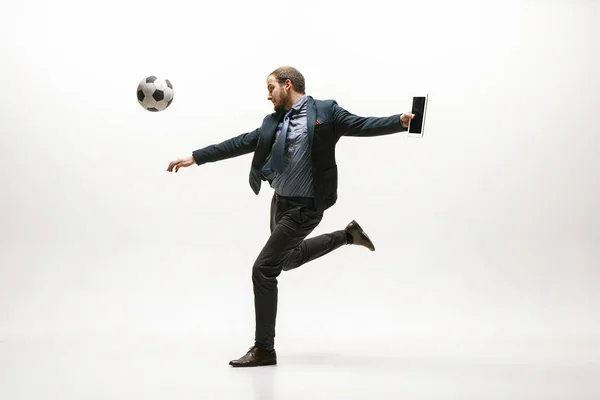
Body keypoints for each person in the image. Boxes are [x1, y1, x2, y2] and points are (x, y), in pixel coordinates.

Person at [167, 66, 415, 367]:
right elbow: (241, 142)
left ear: (287, 85)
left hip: (306, 207)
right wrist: (196, 157)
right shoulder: (272, 122)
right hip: (280, 204)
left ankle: (264, 350)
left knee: (263, 269)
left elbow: (361, 125)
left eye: (271, 87)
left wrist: (399, 122)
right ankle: (348, 235)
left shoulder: (326, 111)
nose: (267, 94)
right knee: (289, 259)